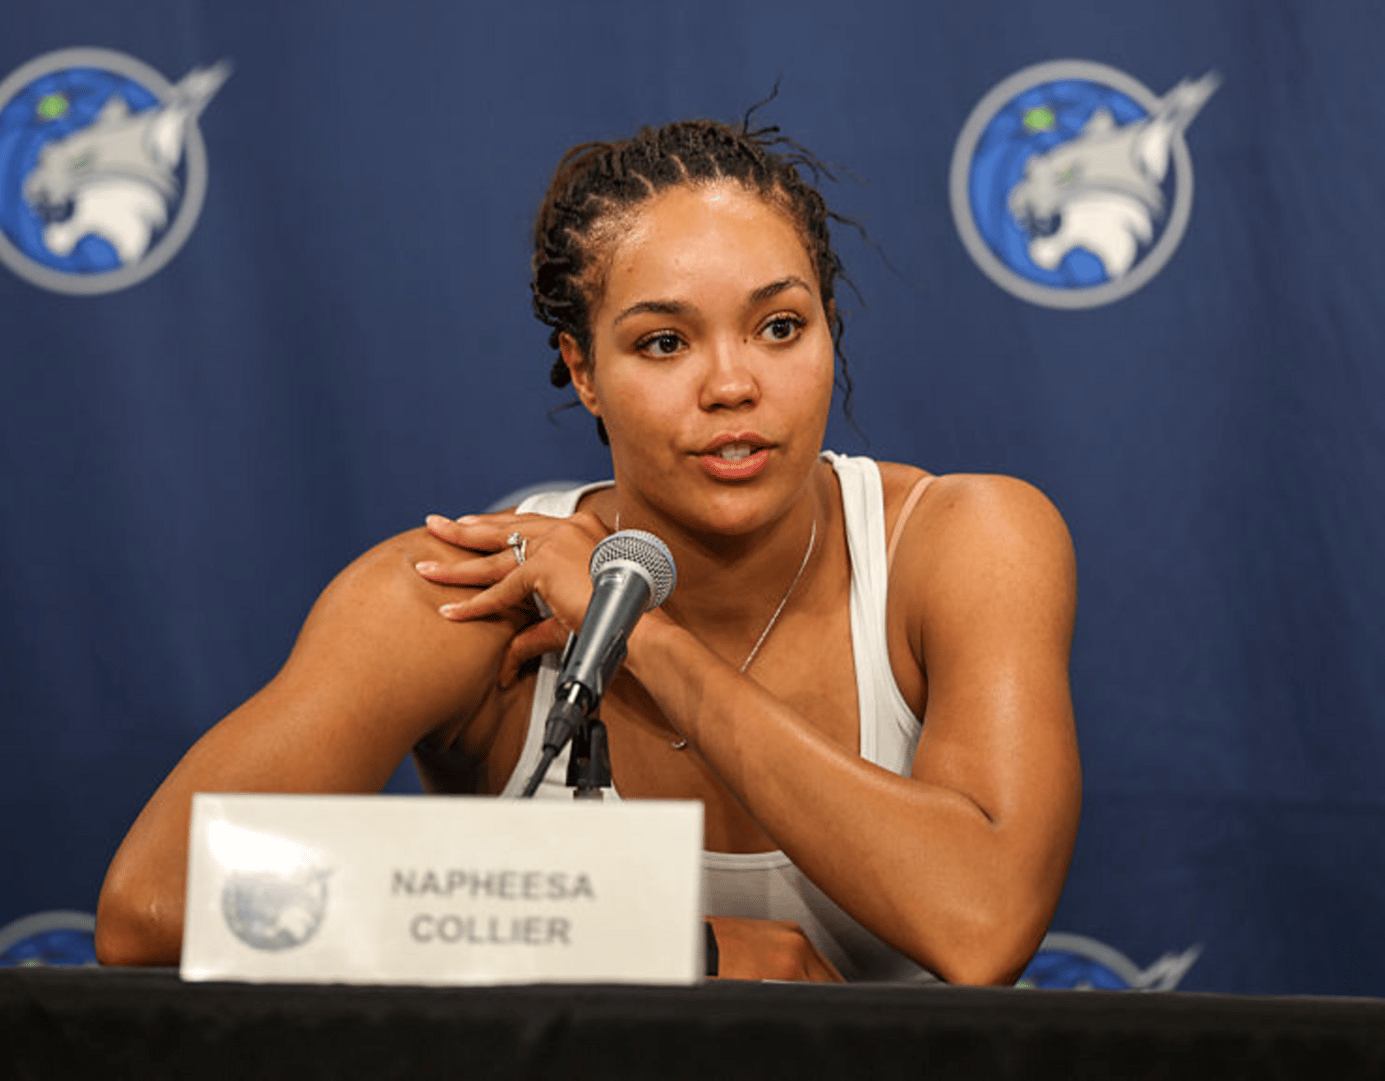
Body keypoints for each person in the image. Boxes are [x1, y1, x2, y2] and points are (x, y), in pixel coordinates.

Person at [94, 118, 1080, 984]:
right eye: (663, 343)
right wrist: (673, 946)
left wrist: (644, 638)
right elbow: (151, 906)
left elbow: (982, 924)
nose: (732, 383)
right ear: (585, 370)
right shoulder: (474, 588)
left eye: (780, 326)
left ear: (829, 331)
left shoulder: (963, 541)